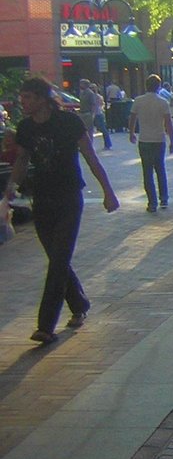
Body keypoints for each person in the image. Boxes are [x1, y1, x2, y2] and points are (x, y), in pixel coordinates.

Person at [3, 76, 119, 345]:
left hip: (69, 198)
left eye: (28, 97)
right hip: (41, 200)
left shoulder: (68, 122)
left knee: (58, 260)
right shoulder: (26, 128)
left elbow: (90, 156)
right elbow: (22, 160)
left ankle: (45, 325)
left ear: (42, 98)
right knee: (57, 259)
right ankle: (79, 304)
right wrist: (10, 189)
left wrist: (108, 192)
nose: (23, 102)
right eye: (22, 98)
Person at [129, 73, 173, 213]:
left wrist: (131, 132)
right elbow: (168, 123)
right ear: (159, 87)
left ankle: (152, 202)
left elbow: (132, 118)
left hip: (144, 139)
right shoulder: (163, 102)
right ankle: (164, 198)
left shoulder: (138, 101)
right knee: (160, 169)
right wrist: (172, 141)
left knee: (147, 171)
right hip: (159, 139)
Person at [89, 82, 112, 150]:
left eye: (93, 88)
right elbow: (102, 104)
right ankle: (107, 144)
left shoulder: (96, 97)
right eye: (91, 88)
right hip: (98, 113)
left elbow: (95, 105)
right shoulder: (98, 96)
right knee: (98, 130)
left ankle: (108, 144)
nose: (92, 89)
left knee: (102, 129)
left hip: (97, 114)